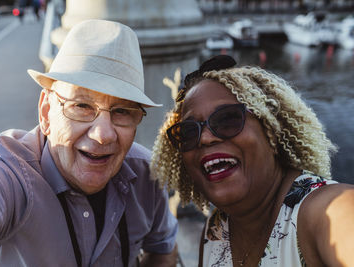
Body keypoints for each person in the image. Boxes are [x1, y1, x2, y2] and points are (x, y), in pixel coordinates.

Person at [0, 19, 178, 267]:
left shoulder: (147, 175)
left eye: (123, 111)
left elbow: (164, 249)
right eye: (82, 106)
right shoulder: (6, 173)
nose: (103, 135)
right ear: (46, 111)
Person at [151, 55, 354, 266]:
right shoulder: (215, 232)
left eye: (228, 119)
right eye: (188, 132)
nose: (205, 138)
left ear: (271, 130)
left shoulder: (328, 210)